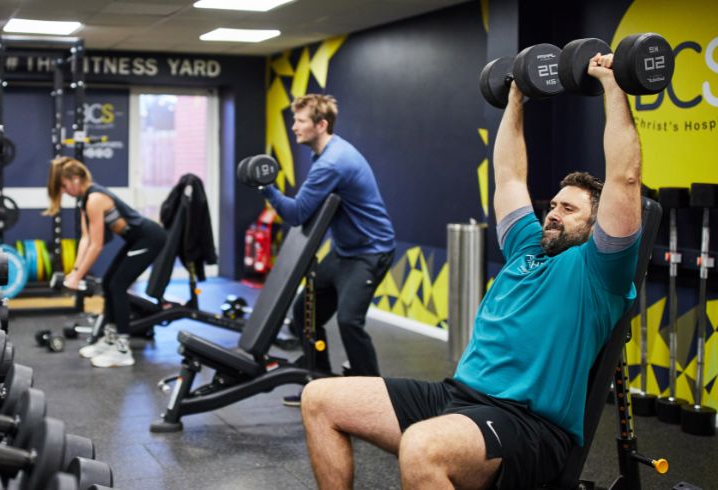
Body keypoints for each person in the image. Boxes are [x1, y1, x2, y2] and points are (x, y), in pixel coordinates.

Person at [299, 53, 643, 489]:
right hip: (458, 396)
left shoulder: (599, 271)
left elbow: (625, 178)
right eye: (553, 204)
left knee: (423, 448)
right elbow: (509, 175)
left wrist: (614, 85)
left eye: (569, 208)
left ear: (596, 225)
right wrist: (517, 92)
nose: (553, 213)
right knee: (319, 398)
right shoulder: (526, 248)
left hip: (526, 424)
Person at [259, 94, 397, 406]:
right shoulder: (326, 153)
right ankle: (316, 376)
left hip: (370, 252)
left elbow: (296, 213)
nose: (294, 127)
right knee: (303, 312)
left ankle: (377, 398)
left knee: (349, 320)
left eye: (301, 121)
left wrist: (265, 186)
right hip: (344, 251)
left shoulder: (333, 162)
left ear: (321, 125)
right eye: (294, 120)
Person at [45, 157, 166, 368]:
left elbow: (97, 245)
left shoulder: (94, 199)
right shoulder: (84, 199)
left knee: (117, 286)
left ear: (75, 179)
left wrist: (79, 276)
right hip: (136, 239)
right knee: (110, 282)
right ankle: (109, 339)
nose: (64, 192)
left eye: (64, 186)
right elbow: (85, 238)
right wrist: (74, 271)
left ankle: (122, 349)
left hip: (150, 238)